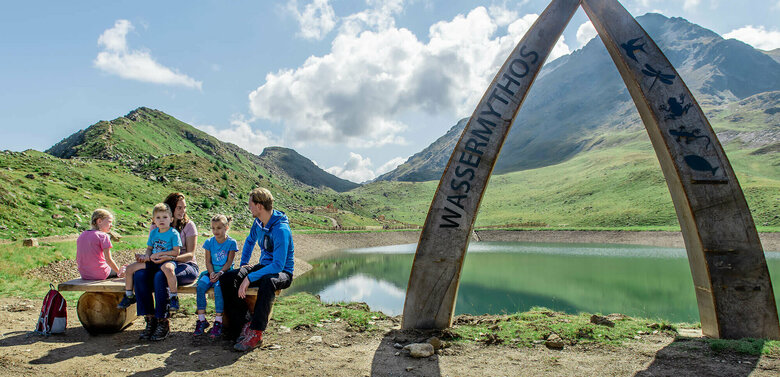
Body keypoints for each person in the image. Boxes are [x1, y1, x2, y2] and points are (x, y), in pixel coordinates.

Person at [220, 187, 294, 352]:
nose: (249, 208)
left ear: (259, 206)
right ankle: (245, 323)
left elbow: (278, 265)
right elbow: (249, 241)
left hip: (283, 272)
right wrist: (245, 264)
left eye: (250, 204)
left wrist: (250, 277)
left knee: (268, 281)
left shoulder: (281, 229)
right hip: (265, 266)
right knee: (227, 278)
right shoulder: (258, 223)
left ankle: (257, 332)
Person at [133, 192, 200, 341]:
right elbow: (151, 248)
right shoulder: (156, 226)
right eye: (179, 208)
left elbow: (190, 254)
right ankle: (150, 320)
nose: (183, 211)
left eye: (184, 208)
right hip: (160, 265)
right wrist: (146, 258)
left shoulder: (189, 226)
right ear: (169, 208)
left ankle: (163, 321)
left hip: (185, 266)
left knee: (160, 276)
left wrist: (169, 257)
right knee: (139, 275)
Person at [117, 204, 181, 317]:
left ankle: (173, 297)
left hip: (166, 260)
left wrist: (161, 254)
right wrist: (145, 256)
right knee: (130, 268)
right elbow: (149, 249)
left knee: (169, 269)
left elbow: (176, 252)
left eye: (165, 217)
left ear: (171, 219)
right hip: (152, 260)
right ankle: (129, 296)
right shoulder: (154, 233)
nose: (161, 220)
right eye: (158, 217)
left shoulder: (173, 233)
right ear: (153, 220)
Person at [193, 214, 238, 338]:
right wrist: (212, 272)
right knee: (201, 286)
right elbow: (208, 261)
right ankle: (201, 319)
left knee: (219, 289)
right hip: (212, 272)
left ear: (226, 227)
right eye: (213, 228)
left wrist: (220, 273)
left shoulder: (231, 242)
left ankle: (218, 321)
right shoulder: (209, 242)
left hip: (225, 273)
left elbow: (229, 262)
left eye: (219, 228)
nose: (215, 231)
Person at [76, 209, 124, 280]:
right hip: (100, 274)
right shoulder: (103, 236)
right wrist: (119, 273)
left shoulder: (82, 235)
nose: (111, 225)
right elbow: (109, 260)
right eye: (109, 222)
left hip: (84, 274)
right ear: (99, 221)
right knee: (123, 269)